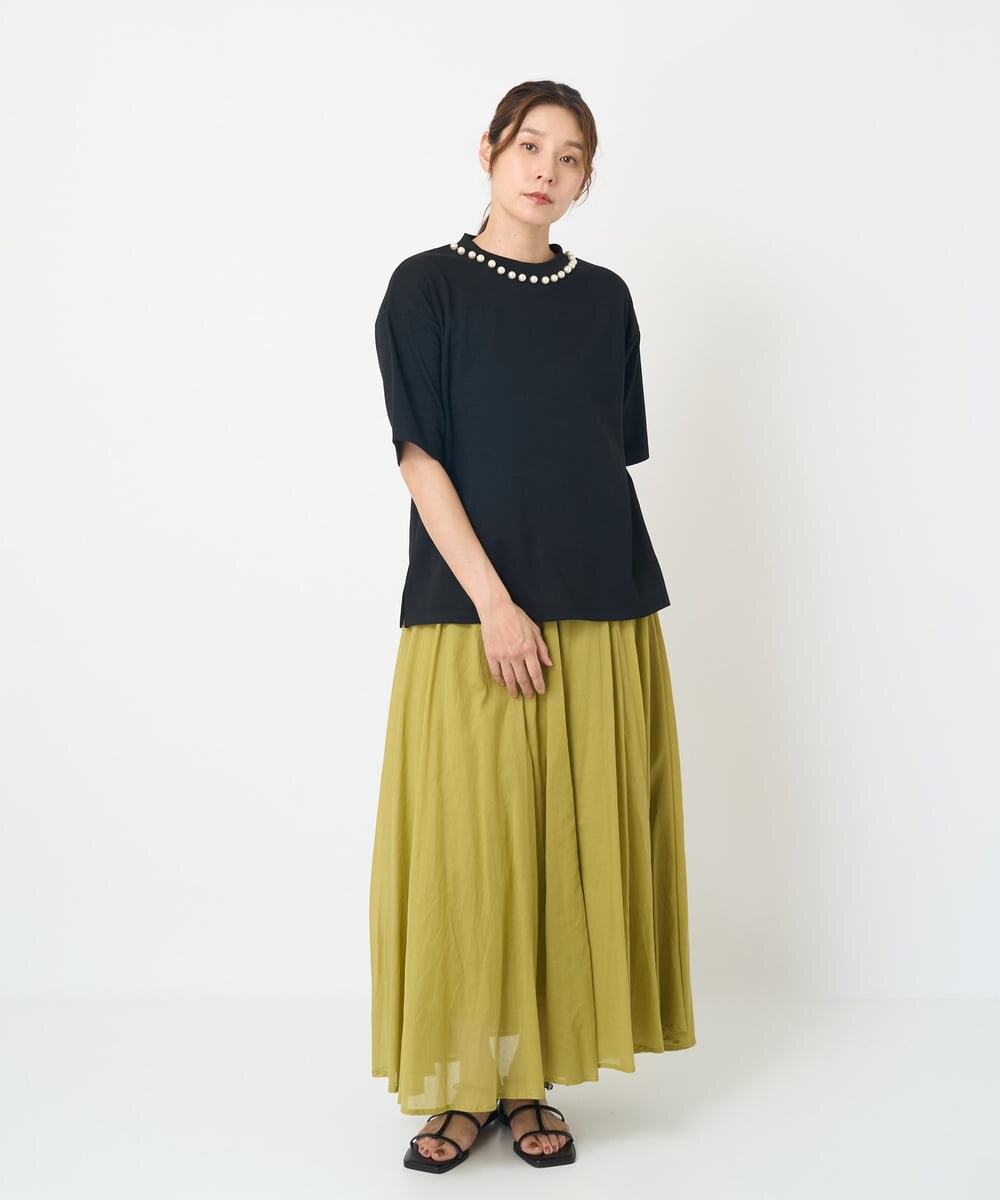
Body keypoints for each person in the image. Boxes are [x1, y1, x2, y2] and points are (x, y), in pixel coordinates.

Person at [369, 80, 696, 1174]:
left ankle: (529, 1083)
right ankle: (461, 1088)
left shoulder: (605, 298)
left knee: (562, 852)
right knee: (471, 851)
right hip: (473, 610)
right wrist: (496, 603)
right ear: (489, 152)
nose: (546, 170)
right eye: (529, 146)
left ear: (586, 177)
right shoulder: (426, 287)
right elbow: (422, 459)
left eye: (570, 156)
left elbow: (599, 455)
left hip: (601, 601)